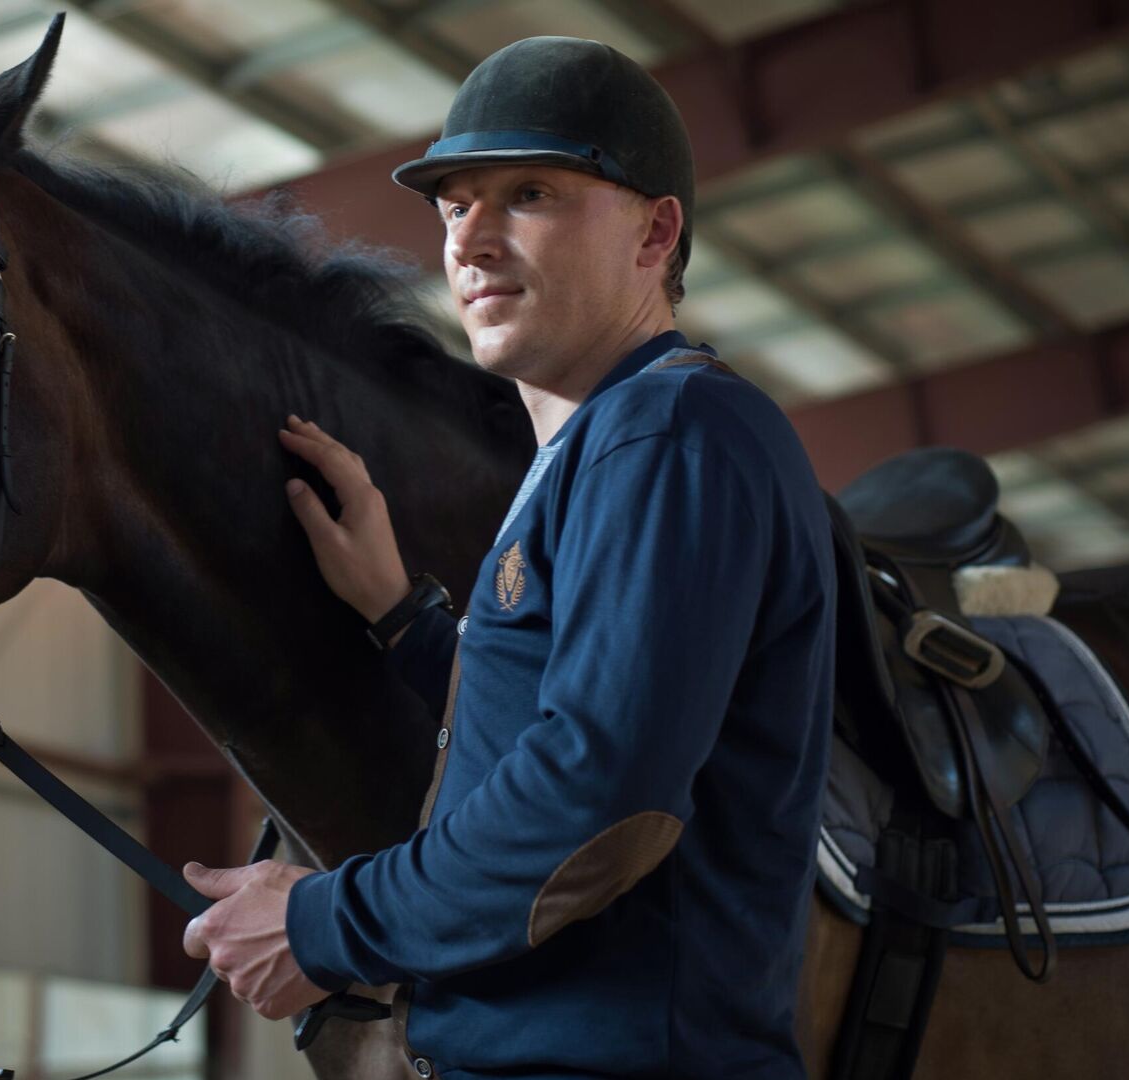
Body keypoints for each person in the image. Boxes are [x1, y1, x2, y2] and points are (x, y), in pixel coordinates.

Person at [181, 35, 836, 1080]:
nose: (472, 239)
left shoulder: (668, 433)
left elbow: (600, 799)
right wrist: (403, 619)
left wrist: (323, 924)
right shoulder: (596, 445)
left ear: (655, 233)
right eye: (454, 205)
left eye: (528, 194)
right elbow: (551, 716)